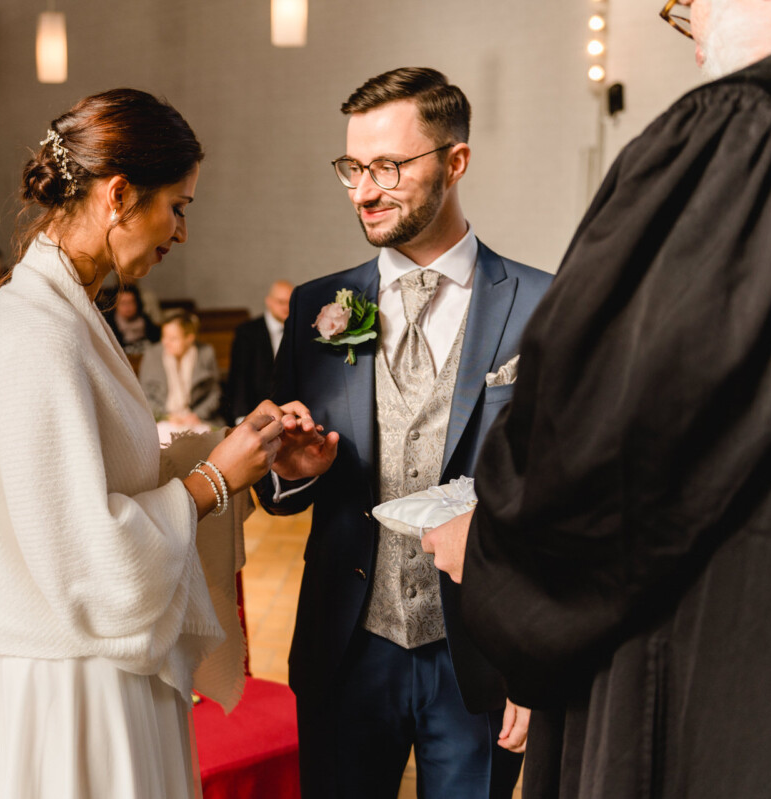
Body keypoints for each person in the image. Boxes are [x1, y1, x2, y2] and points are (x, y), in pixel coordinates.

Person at [418, 2, 771, 798]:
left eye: (686, 5)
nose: (690, 27)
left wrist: (490, 549)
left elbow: (601, 450)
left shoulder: (768, 131)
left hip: (738, 691)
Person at [0, 88, 308, 799]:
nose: (180, 231)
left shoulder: (68, 313)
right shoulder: (37, 336)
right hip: (69, 685)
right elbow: (88, 553)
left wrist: (240, 450)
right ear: (118, 195)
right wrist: (210, 481)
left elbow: (95, 476)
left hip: (91, 660)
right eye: (178, 205)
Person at [255, 68, 552, 799]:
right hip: (345, 649)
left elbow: (562, 497)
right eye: (353, 168)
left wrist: (539, 657)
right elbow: (282, 490)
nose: (363, 190)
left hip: (479, 657)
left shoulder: (544, 305)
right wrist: (292, 470)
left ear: (456, 162)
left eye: (388, 166)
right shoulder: (319, 306)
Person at [139, 311, 223, 428]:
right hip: (162, 419)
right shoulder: (152, 355)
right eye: (164, 337)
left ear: (189, 338)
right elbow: (144, 395)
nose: (166, 343)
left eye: (173, 338)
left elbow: (214, 393)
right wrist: (166, 416)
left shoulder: (205, 353)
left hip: (197, 419)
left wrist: (197, 415)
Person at [226, 279, 292, 424]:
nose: (286, 307)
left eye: (290, 302)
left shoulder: (298, 331)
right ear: (269, 301)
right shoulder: (247, 332)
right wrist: (241, 418)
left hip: (289, 412)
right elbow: (239, 377)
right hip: (254, 410)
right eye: (281, 302)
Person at [105, 285, 161, 353]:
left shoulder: (145, 320)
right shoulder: (109, 324)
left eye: (131, 302)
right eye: (123, 303)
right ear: (115, 305)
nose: (128, 307)